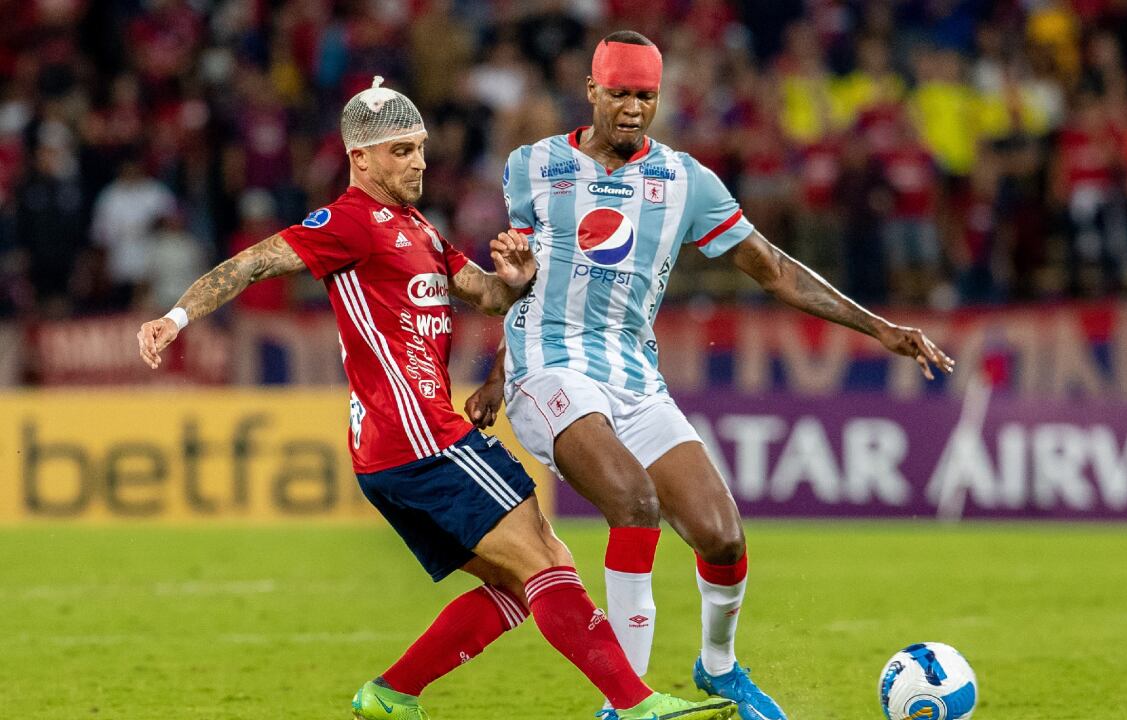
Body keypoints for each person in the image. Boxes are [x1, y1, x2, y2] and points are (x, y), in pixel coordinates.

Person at [136, 77, 735, 720]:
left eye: (420, 147)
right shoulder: (349, 223)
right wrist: (175, 318)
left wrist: (516, 277)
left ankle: (391, 694)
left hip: (400, 445)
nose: (417, 161)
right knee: (546, 560)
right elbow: (253, 262)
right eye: (399, 150)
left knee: (514, 584)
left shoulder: (418, 228)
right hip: (419, 436)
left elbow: (486, 295)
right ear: (359, 159)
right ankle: (638, 704)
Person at [466, 32, 956, 720]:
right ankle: (626, 703)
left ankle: (717, 667)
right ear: (592, 91)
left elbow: (776, 270)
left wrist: (882, 328)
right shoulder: (533, 166)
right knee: (632, 503)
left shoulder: (685, 180)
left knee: (722, 535)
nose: (633, 108)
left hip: (633, 375)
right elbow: (523, 280)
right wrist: (497, 374)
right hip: (547, 367)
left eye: (646, 95)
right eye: (620, 93)